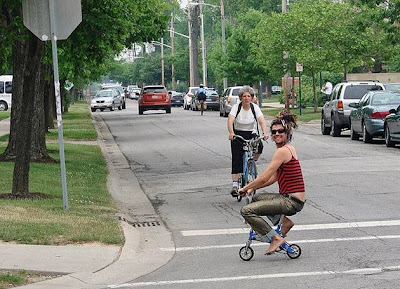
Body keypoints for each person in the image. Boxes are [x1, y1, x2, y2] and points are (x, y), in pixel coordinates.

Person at [238, 110, 305, 255]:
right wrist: (251, 190)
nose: (276, 134)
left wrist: (245, 187)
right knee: (255, 199)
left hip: (290, 201)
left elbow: (263, 177)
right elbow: (273, 178)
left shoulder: (282, 151)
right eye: (273, 132)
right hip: (292, 199)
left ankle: (274, 238)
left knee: (246, 210)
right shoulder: (288, 149)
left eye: (280, 131)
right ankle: (285, 222)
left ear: (287, 133)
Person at [227, 86, 268, 197]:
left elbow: (261, 121)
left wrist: (264, 133)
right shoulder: (236, 107)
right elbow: (230, 121)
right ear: (240, 98)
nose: (246, 98)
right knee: (237, 158)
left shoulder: (255, 108)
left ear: (252, 98)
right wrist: (231, 133)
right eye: (244, 96)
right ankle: (235, 185)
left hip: (251, 132)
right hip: (238, 134)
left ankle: (252, 162)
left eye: (249, 96)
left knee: (259, 146)